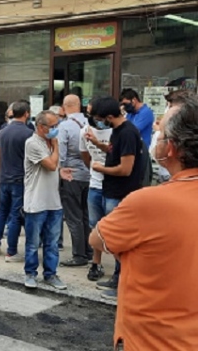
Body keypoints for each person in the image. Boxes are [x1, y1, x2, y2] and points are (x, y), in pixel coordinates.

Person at [90, 100, 198, 350]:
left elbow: (97, 239)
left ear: (170, 147)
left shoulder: (149, 202)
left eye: (160, 131)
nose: (155, 131)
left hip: (154, 340)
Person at [86, 97, 144, 300]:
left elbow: (125, 169)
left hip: (121, 192)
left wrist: (99, 168)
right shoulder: (118, 132)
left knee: (120, 240)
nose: (99, 123)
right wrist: (97, 144)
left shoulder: (128, 132)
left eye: (100, 119)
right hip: (110, 190)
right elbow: (113, 152)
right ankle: (117, 279)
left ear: (109, 117)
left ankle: (121, 282)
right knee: (111, 235)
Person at [23, 110, 66, 290]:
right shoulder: (33, 143)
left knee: (53, 242)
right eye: (53, 126)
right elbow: (50, 165)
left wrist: (63, 172)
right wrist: (56, 145)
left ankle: (51, 274)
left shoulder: (49, 143)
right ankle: (31, 273)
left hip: (54, 201)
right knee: (33, 243)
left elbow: (57, 168)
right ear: (41, 127)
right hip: (36, 201)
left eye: (58, 125)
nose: (56, 129)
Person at [0, 100, 33, 261]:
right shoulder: (28, 133)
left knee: (2, 211)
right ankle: (11, 250)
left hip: (5, 177)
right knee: (15, 214)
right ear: (26, 113)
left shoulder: (3, 132)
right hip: (20, 178)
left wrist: (1, 171)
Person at [57, 95, 92, 267]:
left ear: (64, 107)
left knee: (73, 216)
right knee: (86, 215)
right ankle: (90, 249)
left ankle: (79, 254)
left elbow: (61, 154)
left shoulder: (65, 126)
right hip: (89, 174)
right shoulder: (89, 124)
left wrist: (59, 171)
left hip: (71, 175)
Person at [79, 102, 112, 281]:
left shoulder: (115, 131)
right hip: (95, 184)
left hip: (113, 186)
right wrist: (94, 168)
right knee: (95, 226)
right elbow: (85, 155)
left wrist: (98, 144)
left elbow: (115, 154)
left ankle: (118, 267)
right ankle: (96, 262)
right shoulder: (84, 131)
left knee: (115, 227)